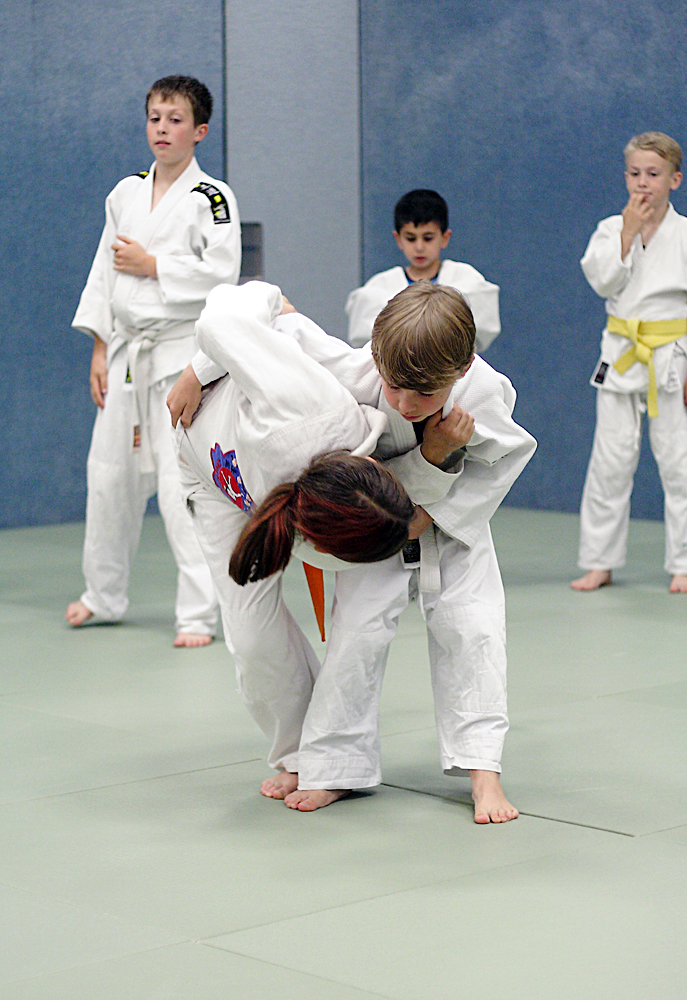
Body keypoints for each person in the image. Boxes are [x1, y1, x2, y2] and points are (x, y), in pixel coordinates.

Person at [173, 282, 536, 823]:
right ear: (375, 352)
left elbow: (499, 465)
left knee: (473, 628)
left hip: (451, 518)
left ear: (461, 371)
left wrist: (431, 499)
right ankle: (334, 768)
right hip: (368, 518)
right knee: (357, 636)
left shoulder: (483, 394)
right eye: (394, 389)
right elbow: (274, 328)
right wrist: (197, 371)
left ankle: (484, 773)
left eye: (425, 396)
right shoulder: (353, 369)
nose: (406, 405)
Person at [170, 280, 415, 779]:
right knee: (251, 636)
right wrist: (199, 368)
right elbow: (222, 319)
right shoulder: (306, 408)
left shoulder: (358, 491)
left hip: (260, 488)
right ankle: (295, 752)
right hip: (209, 471)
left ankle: (326, 758)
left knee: (361, 614)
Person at [65, 75, 241, 645]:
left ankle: (197, 615)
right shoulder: (124, 194)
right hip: (125, 354)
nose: (162, 129)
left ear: (200, 131)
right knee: (108, 477)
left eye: (175, 119)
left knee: (178, 487)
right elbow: (102, 273)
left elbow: (223, 275)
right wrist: (98, 343)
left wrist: (155, 266)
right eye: (155, 117)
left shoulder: (212, 198)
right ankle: (103, 594)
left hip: (178, 358)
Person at [571, 132, 687, 594]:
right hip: (621, 356)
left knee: (678, 462)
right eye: (635, 173)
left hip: (672, 360)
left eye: (654, 174)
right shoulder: (611, 229)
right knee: (609, 463)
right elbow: (603, 282)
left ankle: (685, 563)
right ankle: (599, 561)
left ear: (676, 179)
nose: (643, 183)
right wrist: (628, 234)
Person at [345, 188, 501, 351]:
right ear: (398, 239)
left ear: (444, 238)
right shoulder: (379, 286)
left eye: (428, 238)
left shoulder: (466, 279)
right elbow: (366, 340)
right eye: (411, 238)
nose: (419, 247)